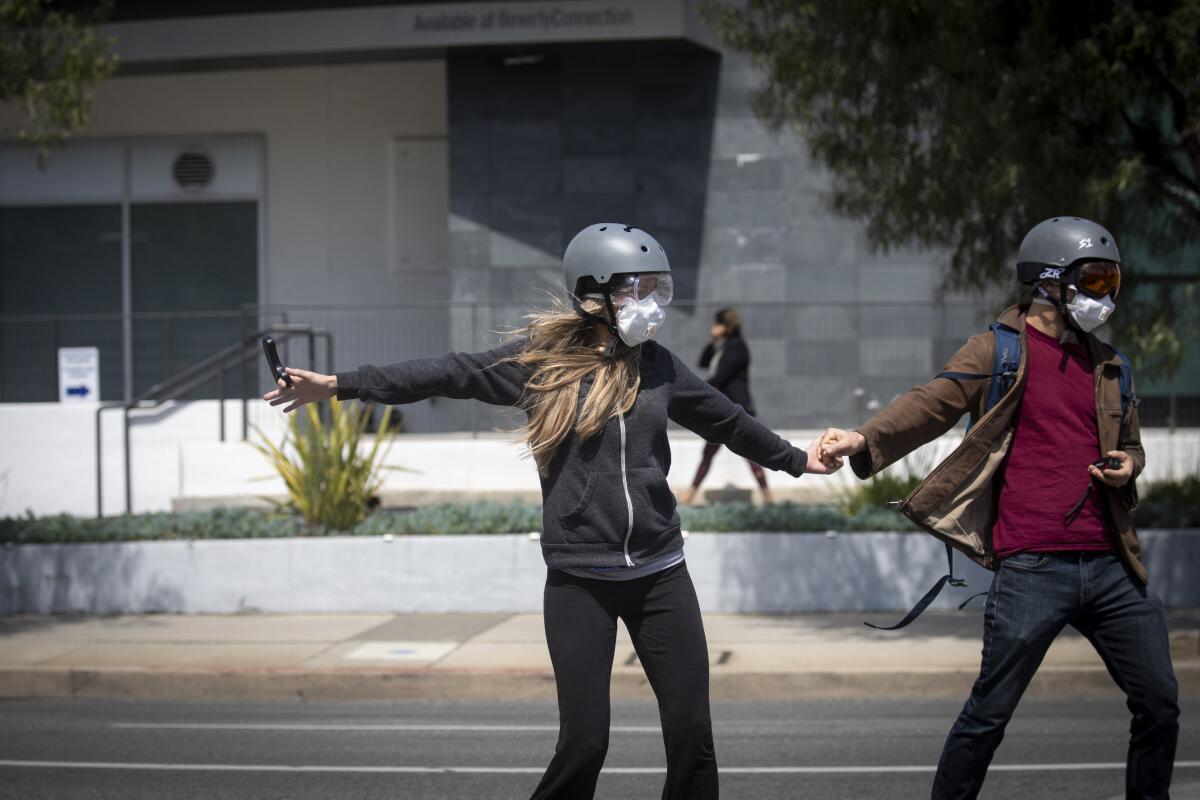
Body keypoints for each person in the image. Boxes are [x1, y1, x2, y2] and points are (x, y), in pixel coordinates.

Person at [264, 223, 840, 800]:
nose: (649, 304)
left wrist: (797, 460)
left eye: (656, 289)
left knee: (692, 735)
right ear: (592, 292)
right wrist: (340, 385)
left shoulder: (659, 366)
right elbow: (449, 372)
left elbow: (728, 421)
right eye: (634, 289)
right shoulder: (536, 365)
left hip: (661, 575)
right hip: (578, 582)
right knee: (585, 744)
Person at [819, 216, 1179, 799]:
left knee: (1160, 703)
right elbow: (930, 403)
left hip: (1113, 564)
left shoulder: (1111, 365)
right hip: (1033, 568)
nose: (1105, 295)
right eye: (1093, 280)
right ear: (1049, 283)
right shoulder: (999, 351)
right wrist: (862, 439)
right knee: (989, 715)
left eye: (1112, 280)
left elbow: (1131, 444)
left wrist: (1129, 464)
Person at [677, 307, 773, 505]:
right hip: (723, 411)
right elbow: (703, 362)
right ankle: (690, 495)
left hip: (737, 410)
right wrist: (712, 341)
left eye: (717, 324)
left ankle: (768, 496)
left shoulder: (738, 348)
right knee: (709, 453)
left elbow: (719, 377)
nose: (714, 327)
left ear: (725, 325)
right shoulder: (725, 346)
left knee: (750, 453)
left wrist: (695, 390)